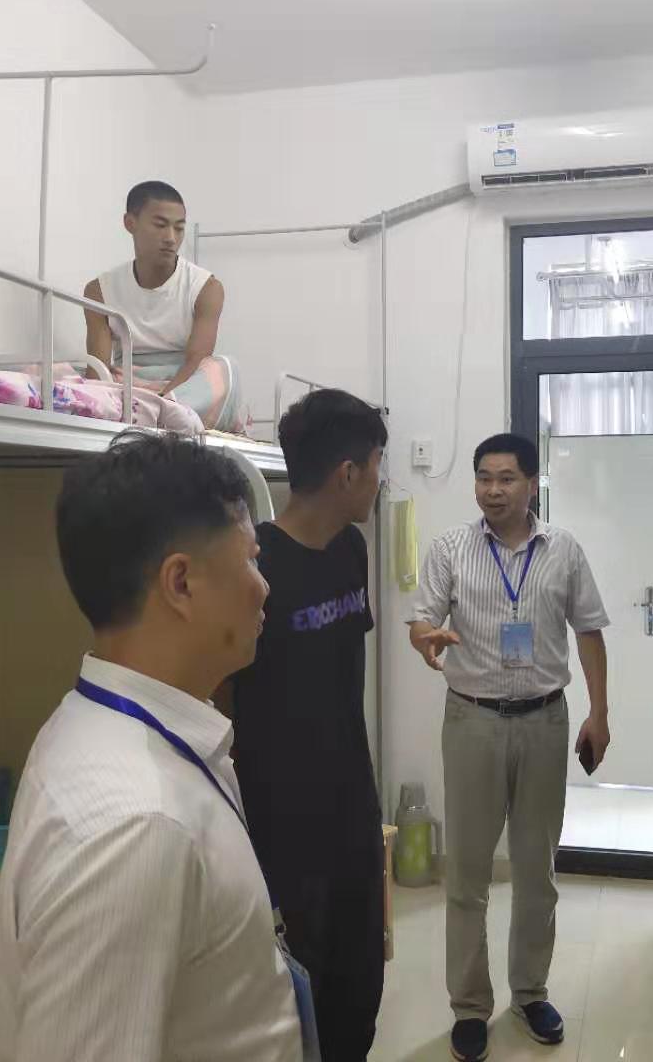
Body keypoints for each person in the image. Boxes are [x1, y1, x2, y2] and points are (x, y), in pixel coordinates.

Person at [0, 431, 304, 1062]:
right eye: (250, 560)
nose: (264, 587)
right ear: (181, 583)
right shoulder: (134, 827)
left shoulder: (117, 725)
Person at [408, 432, 611, 1062]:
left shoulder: (564, 549)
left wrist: (600, 714)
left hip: (545, 721)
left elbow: (590, 632)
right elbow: (421, 617)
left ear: (531, 483)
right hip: (472, 720)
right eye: (484, 478)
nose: (493, 490)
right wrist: (426, 637)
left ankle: (529, 994)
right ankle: (470, 1007)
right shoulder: (451, 548)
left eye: (506, 478)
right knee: (467, 874)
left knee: (536, 870)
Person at [229, 388, 389, 1061]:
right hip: (284, 823)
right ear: (348, 473)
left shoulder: (352, 548)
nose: (380, 480)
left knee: (361, 982)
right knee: (301, 993)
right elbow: (225, 698)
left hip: (352, 803)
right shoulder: (255, 567)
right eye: (376, 465)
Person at [84, 181, 241, 430]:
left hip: (183, 386)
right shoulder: (99, 290)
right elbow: (98, 367)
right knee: (59, 373)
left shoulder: (206, 288)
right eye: (160, 225)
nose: (171, 238)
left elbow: (196, 360)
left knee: (223, 368)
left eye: (179, 228)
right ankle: (154, 413)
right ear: (130, 223)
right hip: (128, 383)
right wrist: (90, 399)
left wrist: (163, 401)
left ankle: (160, 413)